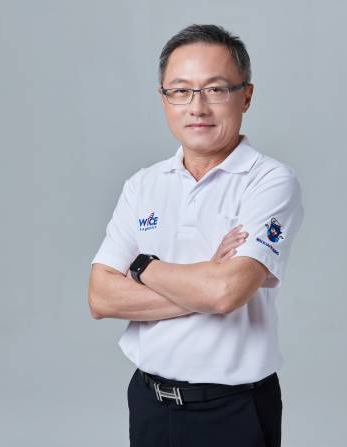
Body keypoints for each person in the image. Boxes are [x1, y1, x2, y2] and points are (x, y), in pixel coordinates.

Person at [87, 24, 304, 447]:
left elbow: (226, 293)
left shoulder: (269, 181)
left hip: (234, 410)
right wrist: (205, 276)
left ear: (246, 95)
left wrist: (143, 267)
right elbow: (101, 297)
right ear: (163, 98)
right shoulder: (143, 185)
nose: (197, 107)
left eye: (216, 89)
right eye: (181, 91)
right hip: (149, 402)